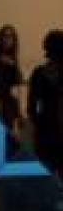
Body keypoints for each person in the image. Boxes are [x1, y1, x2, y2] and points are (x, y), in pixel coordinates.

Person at [28, 30, 63, 175]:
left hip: (45, 130)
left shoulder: (39, 72)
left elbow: (35, 102)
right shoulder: (40, 73)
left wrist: (38, 117)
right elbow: (36, 102)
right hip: (52, 129)